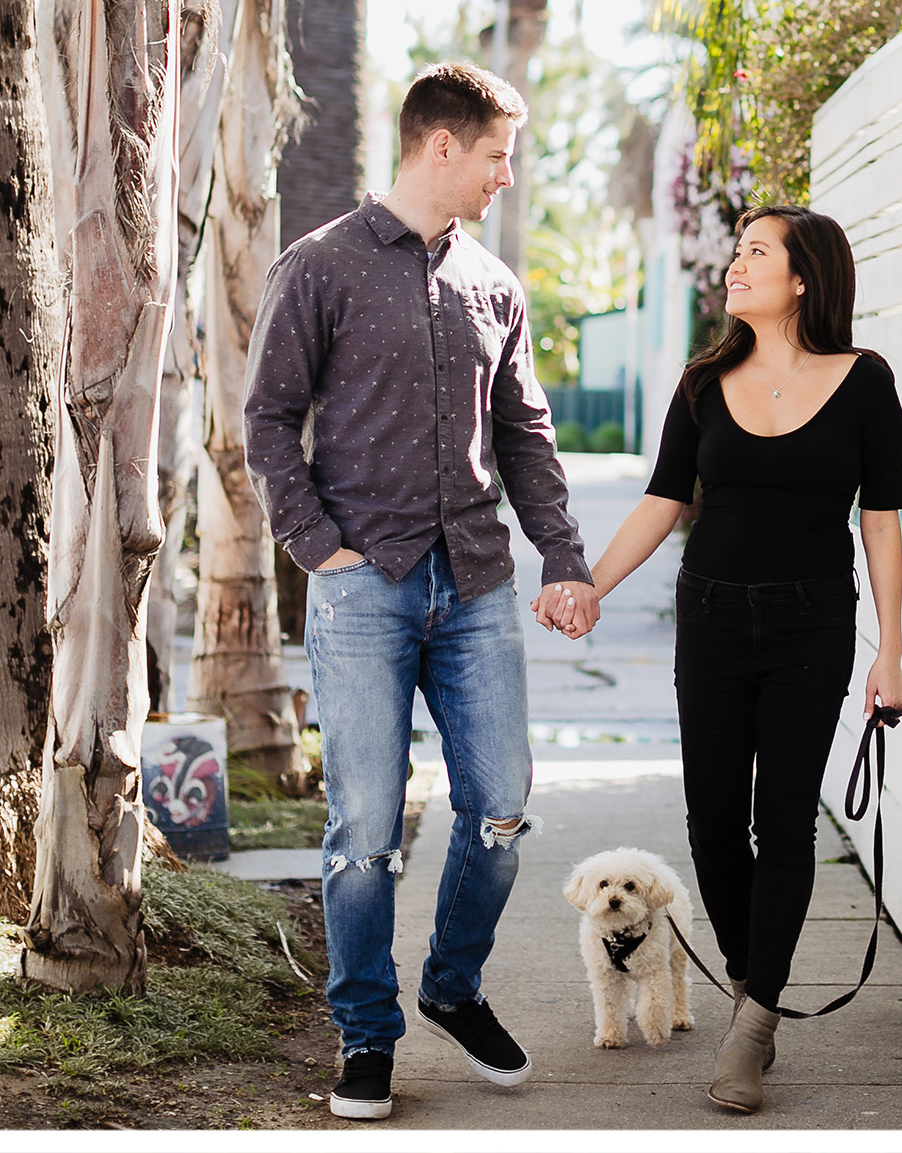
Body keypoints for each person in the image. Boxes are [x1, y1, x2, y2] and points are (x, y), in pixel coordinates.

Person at [243, 62, 601, 1121]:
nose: (505, 175)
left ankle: (451, 986)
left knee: (498, 805)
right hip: (365, 587)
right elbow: (268, 418)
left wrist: (565, 557)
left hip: (478, 584)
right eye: (496, 155)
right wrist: (316, 545)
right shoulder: (319, 267)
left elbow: (526, 434)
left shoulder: (496, 283)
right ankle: (366, 1033)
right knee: (363, 827)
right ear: (439, 145)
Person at [585, 204, 902, 1114]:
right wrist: (592, 585)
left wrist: (891, 653)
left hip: (814, 625)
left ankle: (754, 1021)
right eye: (735, 252)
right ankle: (747, 979)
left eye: (756, 253)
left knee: (787, 825)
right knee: (714, 825)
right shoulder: (702, 381)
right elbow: (661, 502)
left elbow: (880, 519)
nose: (735, 266)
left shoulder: (865, 382)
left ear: (804, 277)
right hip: (715, 617)